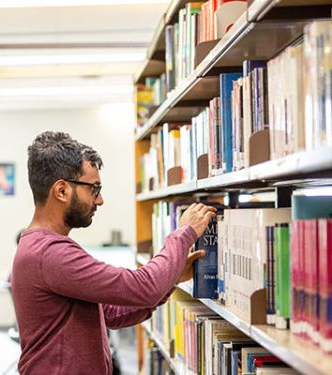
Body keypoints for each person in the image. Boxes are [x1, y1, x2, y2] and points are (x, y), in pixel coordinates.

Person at [11, 132, 216, 375]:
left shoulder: (45, 248)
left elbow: (110, 313)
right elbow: (142, 287)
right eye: (94, 189)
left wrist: (171, 278)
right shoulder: (48, 253)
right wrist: (184, 232)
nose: (100, 200)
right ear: (62, 191)